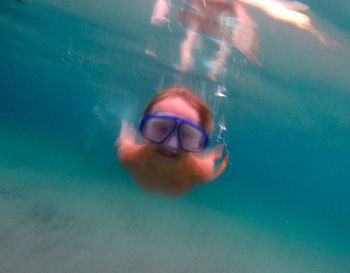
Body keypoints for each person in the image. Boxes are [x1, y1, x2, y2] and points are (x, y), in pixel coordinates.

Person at [115, 87, 228, 196]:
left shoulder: (201, 172)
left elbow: (211, 163)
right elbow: (123, 142)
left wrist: (214, 154)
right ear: (144, 127)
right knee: (124, 136)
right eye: (161, 128)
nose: (170, 145)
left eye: (186, 134)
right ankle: (125, 122)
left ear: (198, 142)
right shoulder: (127, 156)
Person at [150, 0, 260, 80]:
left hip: (201, 12)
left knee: (191, 36)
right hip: (212, 13)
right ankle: (210, 68)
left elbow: (240, 13)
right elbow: (241, 14)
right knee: (222, 44)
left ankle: (186, 66)